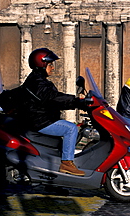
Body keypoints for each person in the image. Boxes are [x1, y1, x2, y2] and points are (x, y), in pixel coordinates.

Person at [21, 48, 87, 176]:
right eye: (50, 64)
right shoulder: (38, 83)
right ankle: (66, 163)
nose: (52, 68)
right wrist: (76, 101)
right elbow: (54, 98)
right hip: (39, 121)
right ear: (41, 65)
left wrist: (75, 101)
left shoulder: (38, 80)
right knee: (71, 129)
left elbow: (54, 97)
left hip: (41, 118)